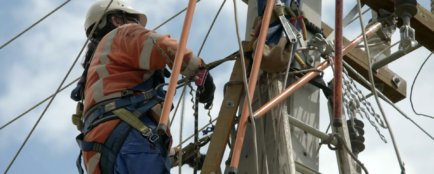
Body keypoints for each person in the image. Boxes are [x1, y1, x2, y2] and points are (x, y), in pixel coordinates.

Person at [71, 1, 215, 174]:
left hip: (96, 156)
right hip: (130, 136)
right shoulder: (122, 33)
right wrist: (200, 71)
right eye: (134, 21)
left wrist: (183, 155)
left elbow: (134, 147)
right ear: (117, 21)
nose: (137, 27)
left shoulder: (92, 76)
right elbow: (162, 45)